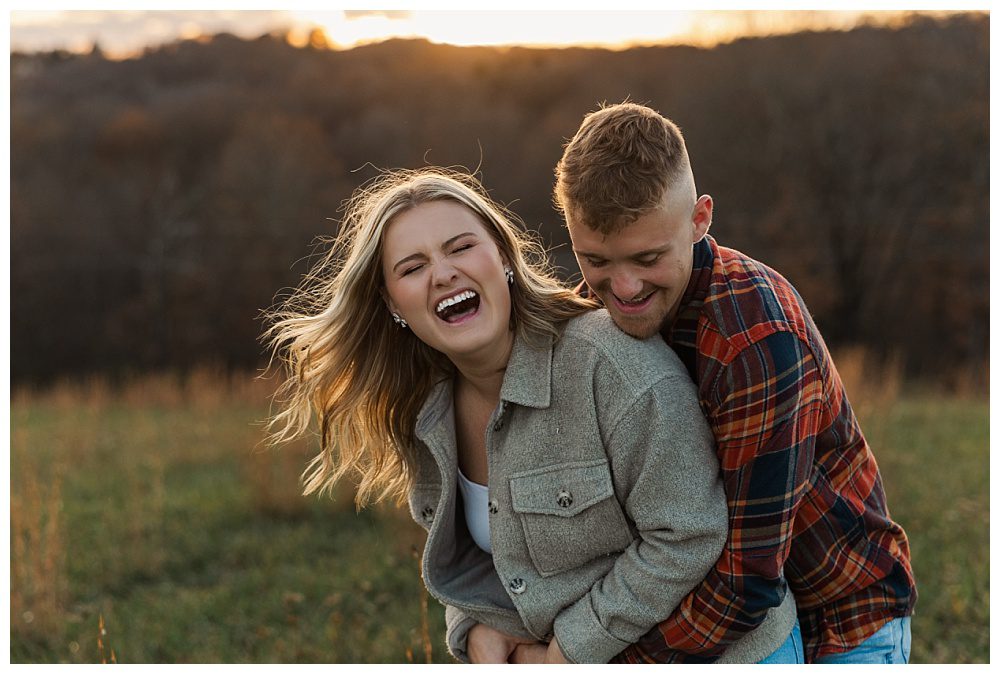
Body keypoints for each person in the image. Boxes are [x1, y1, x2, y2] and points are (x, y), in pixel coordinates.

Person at [263, 168, 798, 663]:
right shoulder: (424, 410)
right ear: (392, 304)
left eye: (461, 248)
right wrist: (473, 628)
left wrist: (568, 651)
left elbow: (688, 535)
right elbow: (477, 557)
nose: (444, 274)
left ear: (502, 257)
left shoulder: (611, 366)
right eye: (413, 267)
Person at [551, 102, 917, 664]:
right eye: (594, 259)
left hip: (841, 616)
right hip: (731, 618)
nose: (621, 287)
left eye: (647, 257)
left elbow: (748, 580)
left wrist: (597, 660)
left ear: (700, 220)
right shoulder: (593, 323)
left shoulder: (754, 339)